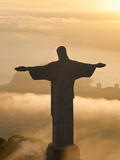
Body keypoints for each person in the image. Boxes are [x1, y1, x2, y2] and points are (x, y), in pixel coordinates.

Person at [15, 46, 106, 148]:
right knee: (67, 118)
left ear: (58, 54)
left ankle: (60, 143)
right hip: (67, 97)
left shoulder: (55, 66)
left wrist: (27, 69)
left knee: (59, 118)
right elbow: (85, 66)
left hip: (58, 97)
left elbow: (41, 69)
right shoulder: (73, 65)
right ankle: (65, 143)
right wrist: (95, 65)